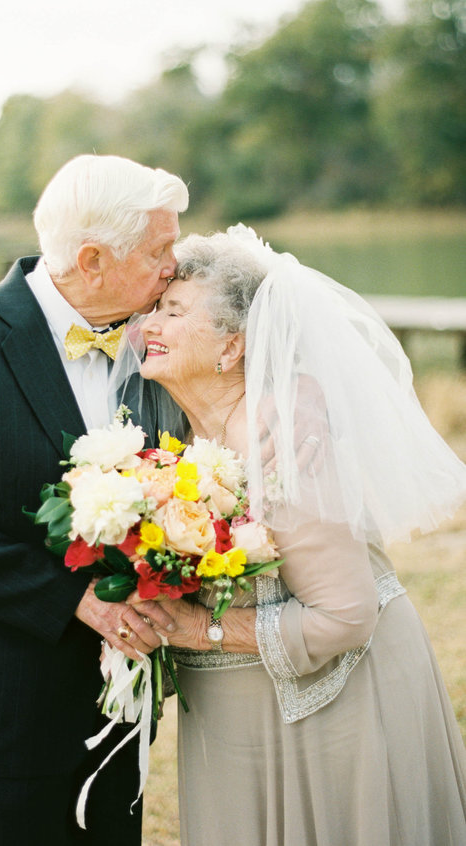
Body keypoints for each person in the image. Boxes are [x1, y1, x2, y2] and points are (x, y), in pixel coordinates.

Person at [0, 154, 189, 846]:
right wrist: (75, 599)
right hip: (7, 699)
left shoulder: (155, 333)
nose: (175, 265)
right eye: (160, 250)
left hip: (123, 696)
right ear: (92, 260)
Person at [132, 225, 466, 845]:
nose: (148, 324)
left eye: (174, 312)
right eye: (153, 308)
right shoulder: (176, 432)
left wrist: (197, 631)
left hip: (340, 704)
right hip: (238, 708)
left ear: (232, 347)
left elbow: (346, 615)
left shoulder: (286, 448)